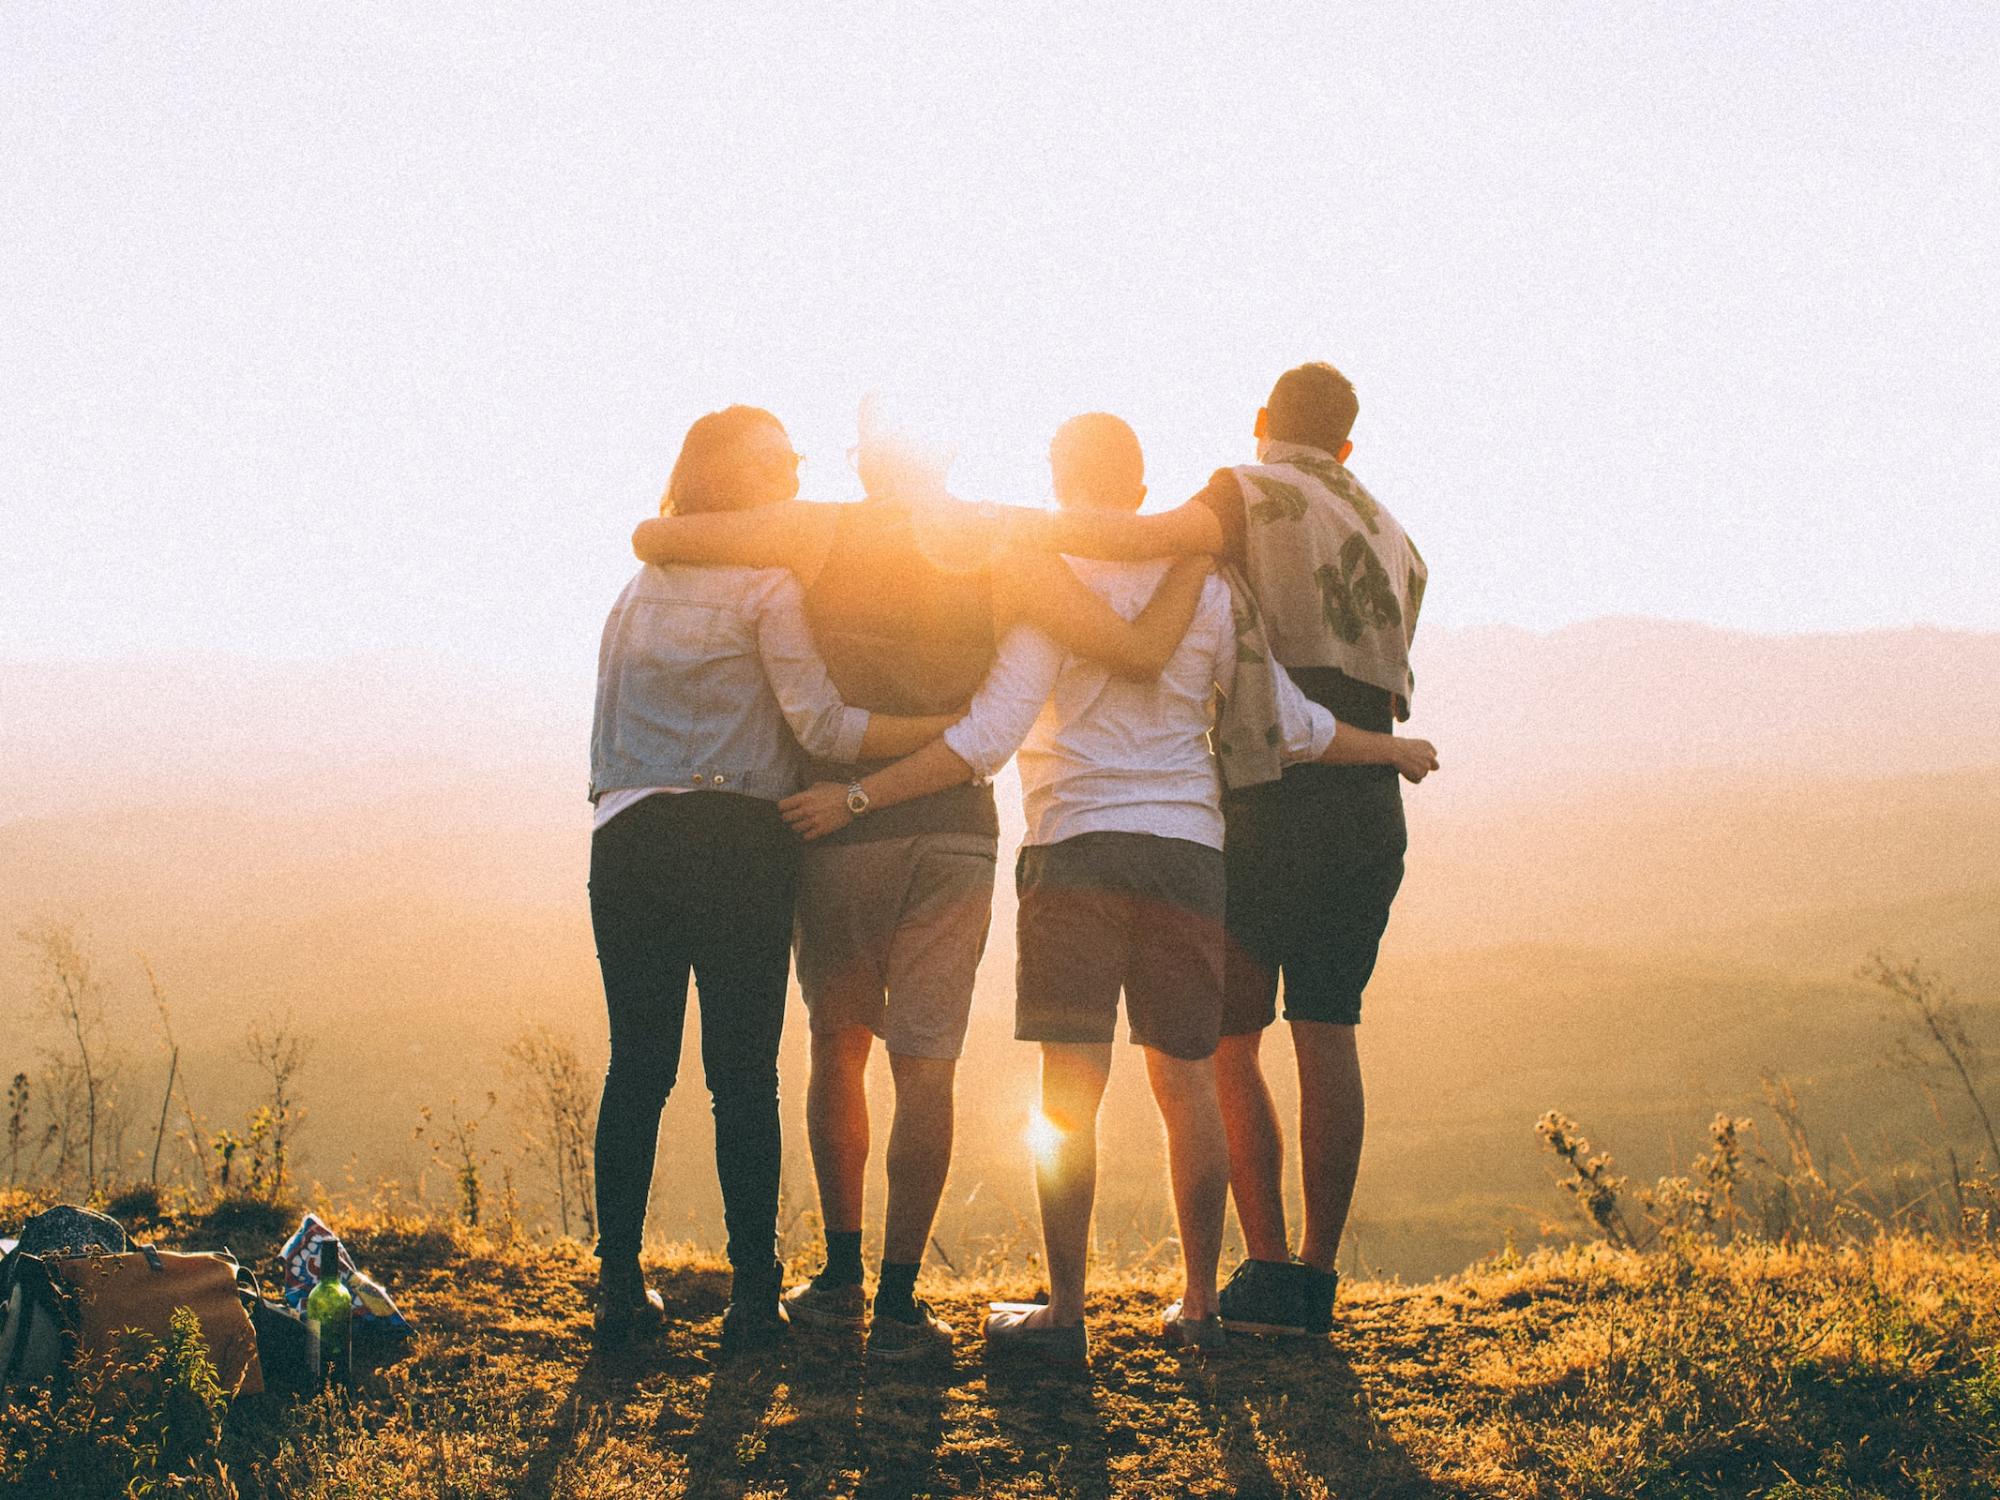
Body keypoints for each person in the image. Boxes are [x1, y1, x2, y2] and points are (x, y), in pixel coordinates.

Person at [779, 412, 1435, 1365]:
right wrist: (1393, 750)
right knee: (1188, 1086)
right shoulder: (1209, 587)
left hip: (1073, 849)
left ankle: (1067, 1312)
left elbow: (987, 738)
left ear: (1058, 479)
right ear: (1139, 488)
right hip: (1188, 856)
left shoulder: (1046, 583)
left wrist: (859, 795)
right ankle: (1201, 1306)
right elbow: (1291, 724)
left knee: (1068, 1095)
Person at [628, 398, 1210, 1362]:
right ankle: (901, 1300)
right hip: (954, 832)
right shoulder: (1002, 541)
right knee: (926, 1065)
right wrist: (1197, 551)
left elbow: (665, 535)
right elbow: (1127, 645)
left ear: (864, 464)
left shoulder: (816, 530)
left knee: (838, 1045)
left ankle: (841, 1273)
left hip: (837, 824)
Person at [1003, 364, 1429, 1337]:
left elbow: (1142, 541)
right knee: (1328, 1031)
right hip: (1361, 798)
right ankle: (1307, 1282)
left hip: (1264, 794)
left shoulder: (1243, 495)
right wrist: (1392, 750)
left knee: (1221, 1048)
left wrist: (1003, 528)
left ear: (1260, 423)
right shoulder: (1392, 532)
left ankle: (1261, 1270)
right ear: (1348, 445)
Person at [587, 405, 962, 1351]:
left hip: (626, 838)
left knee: (637, 1066)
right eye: (779, 463)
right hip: (737, 844)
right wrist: (946, 735)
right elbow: (825, 730)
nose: (795, 474)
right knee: (741, 1077)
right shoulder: (766, 587)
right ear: (739, 482)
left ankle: (619, 1288)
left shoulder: (635, 591)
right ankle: (755, 1295)